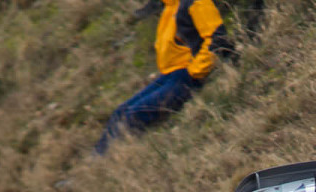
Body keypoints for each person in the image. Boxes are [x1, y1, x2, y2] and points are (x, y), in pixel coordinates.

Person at [95, 0, 231, 154]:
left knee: (132, 116)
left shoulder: (196, 2)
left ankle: (113, 161)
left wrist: (197, 71)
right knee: (119, 113)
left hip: (187, 76)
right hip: (170, 74)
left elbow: (217, 38)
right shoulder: (171, 6)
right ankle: (94, 166)